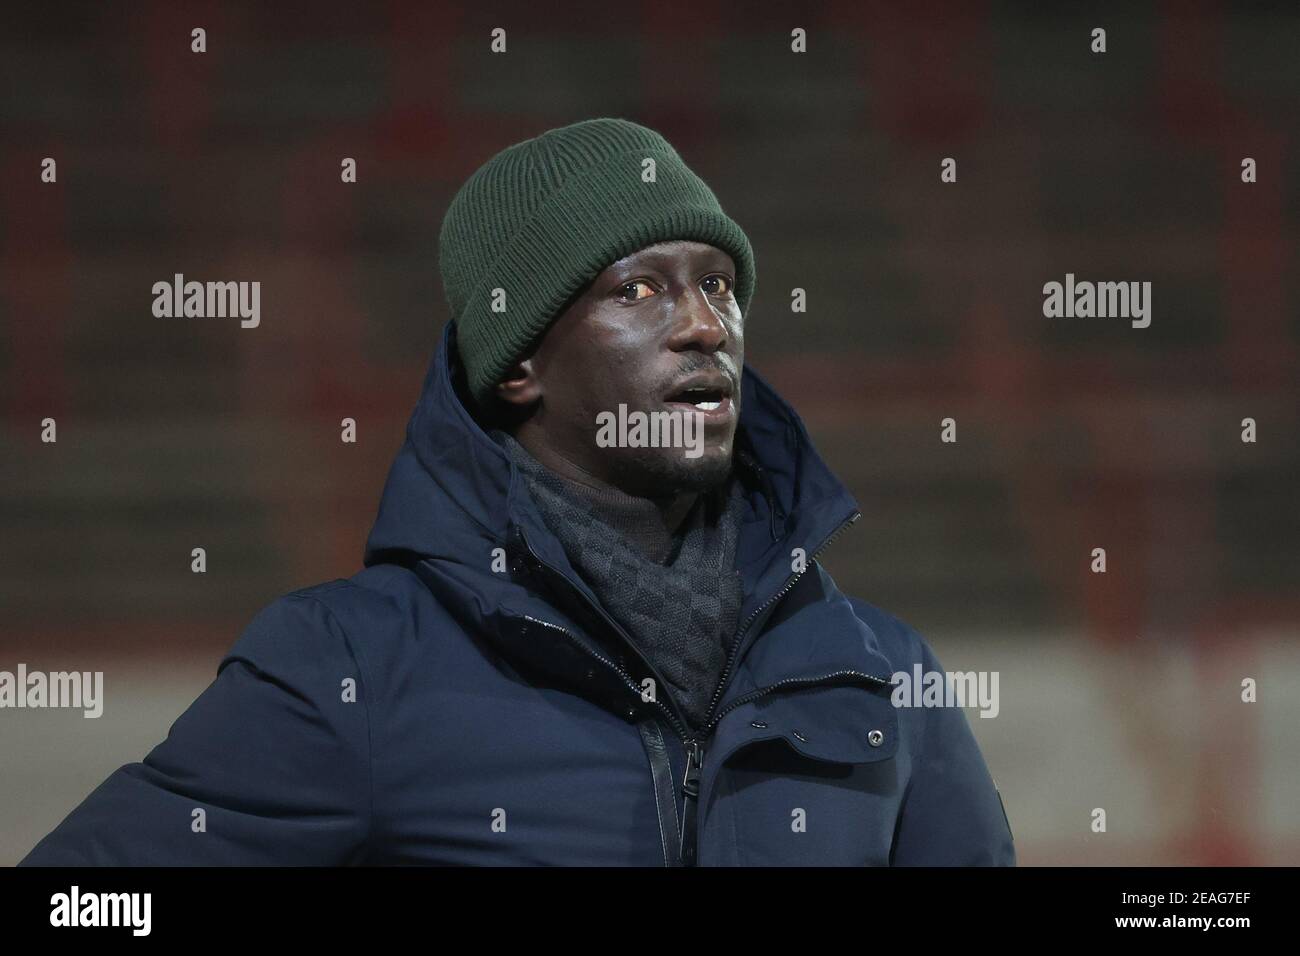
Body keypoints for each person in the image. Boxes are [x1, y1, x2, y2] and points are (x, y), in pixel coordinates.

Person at [21, 118, 1014, 866]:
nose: (705, 323)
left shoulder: (880, 672)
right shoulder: (354, 666)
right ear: (516, 366)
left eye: (718, 283)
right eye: (640, 289)